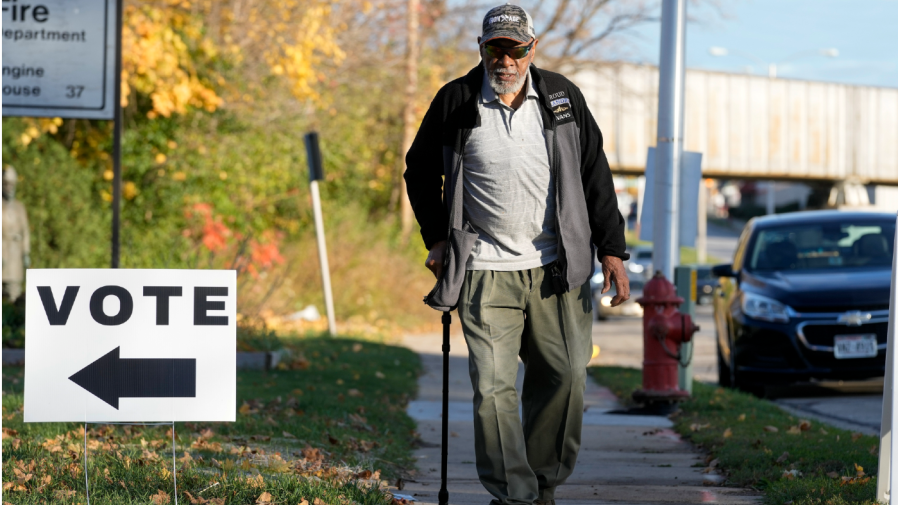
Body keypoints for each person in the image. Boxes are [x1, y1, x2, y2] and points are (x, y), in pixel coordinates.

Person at [404, 5, 630, 505]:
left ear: (532, 48)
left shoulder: (561, 97)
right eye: (494, 48)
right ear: (482, 49)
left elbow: (595, 171)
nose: (504, 59)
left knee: (566, 376)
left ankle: (541, 482)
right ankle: (516, 495)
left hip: (557, 268)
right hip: (484, 269)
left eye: (515, 48)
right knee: (491, 389)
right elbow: (419, 170)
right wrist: (437, 238)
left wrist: (612, 249)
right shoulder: (457, 100)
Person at [1, 166, 30, 302]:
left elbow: (25, 231)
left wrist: (26, 253)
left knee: (13, 293)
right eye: (6, 184)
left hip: (14, 256)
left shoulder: (19, 207)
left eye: (12, 184)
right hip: (2, 252)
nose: (9, 187)